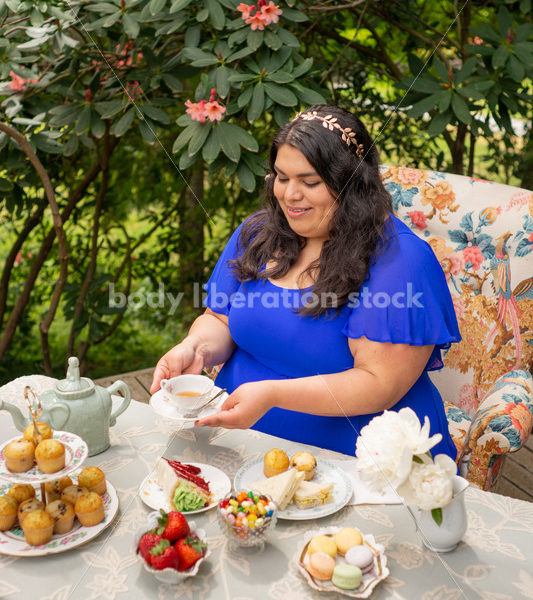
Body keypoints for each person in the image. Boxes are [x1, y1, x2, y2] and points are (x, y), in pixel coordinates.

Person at [151, 104, 461, 459]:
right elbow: (219, 319)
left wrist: (272, 395)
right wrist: (195, 348)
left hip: (358, 459)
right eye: (282, 177)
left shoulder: (400, 260)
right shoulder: (258, 233)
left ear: (352, 184)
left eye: (309, 182)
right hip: (237, 441)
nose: (289, 195)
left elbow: (378, 384)